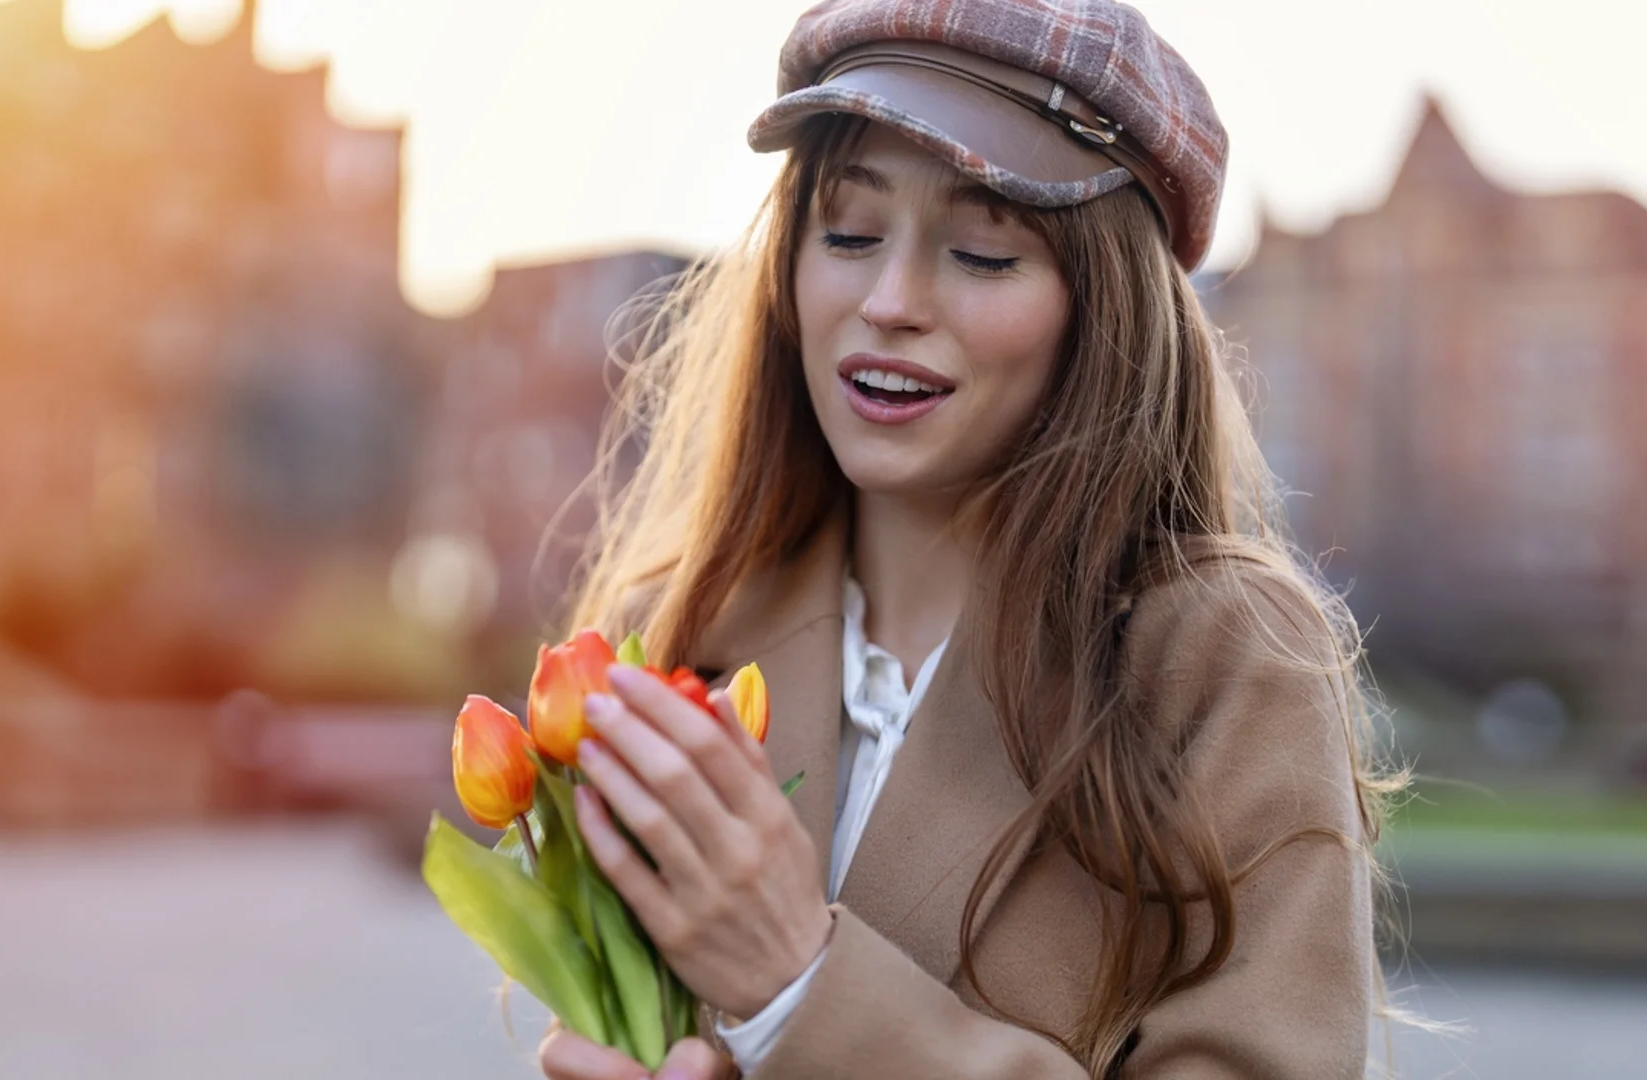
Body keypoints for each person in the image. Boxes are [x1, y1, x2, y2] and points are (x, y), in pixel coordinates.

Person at [537, 0, 1400, 1076]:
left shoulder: (1222, 661)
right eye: (847, 234)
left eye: (985, 252)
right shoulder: (668, 639)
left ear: (1106, 311)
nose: (889, 300)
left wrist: (802, 989)